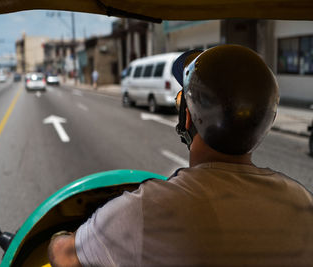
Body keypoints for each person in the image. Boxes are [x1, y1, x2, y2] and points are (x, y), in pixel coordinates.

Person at [48, 45, 313, 266]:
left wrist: (58, 234)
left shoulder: (146, 210)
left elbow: (64, 255)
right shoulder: (302, 203)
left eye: (180, 100)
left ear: (187, 117)